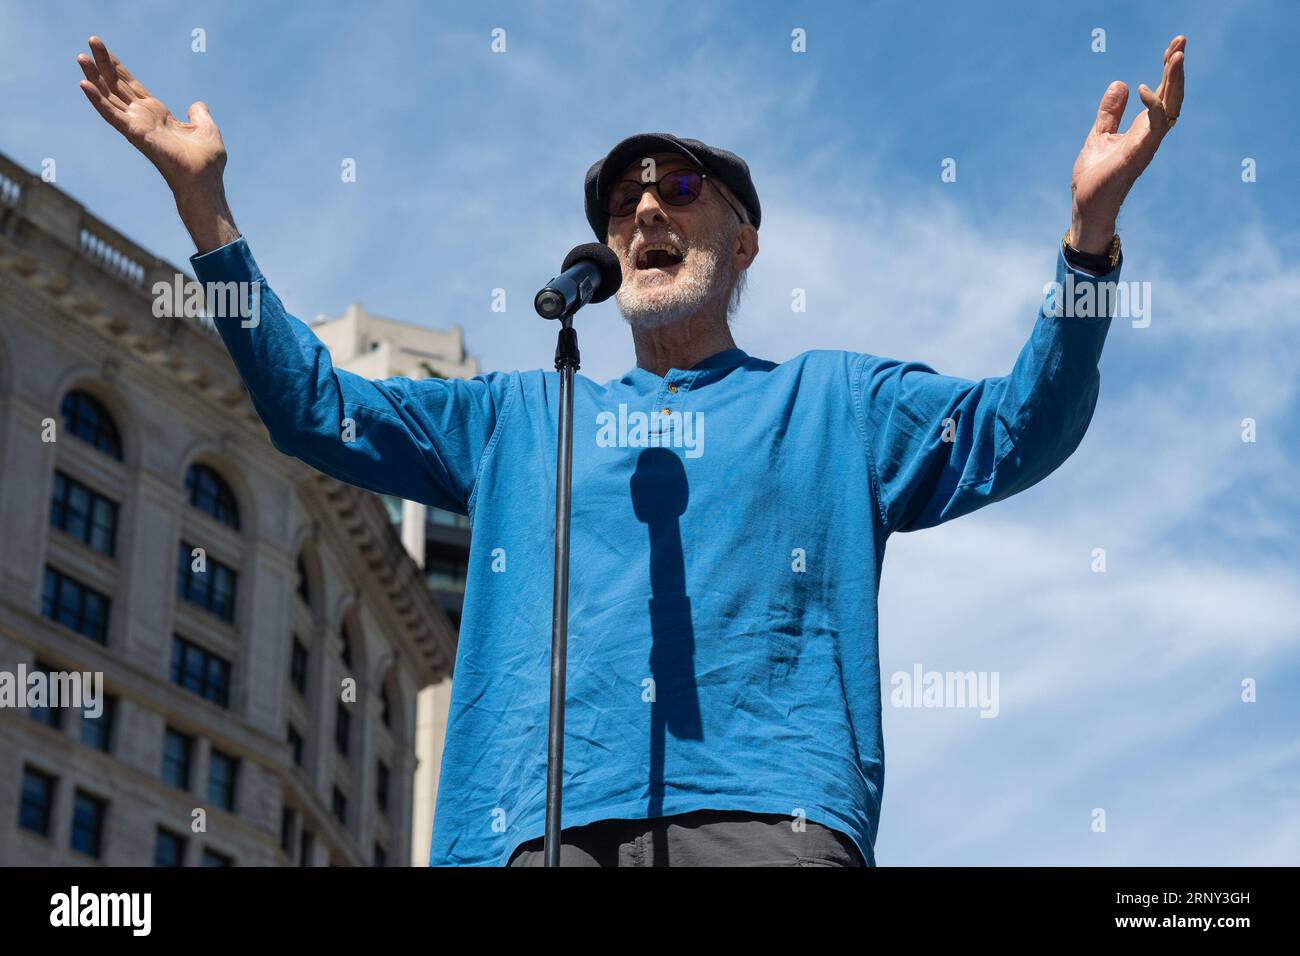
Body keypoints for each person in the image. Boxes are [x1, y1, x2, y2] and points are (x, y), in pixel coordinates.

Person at [76, 34, 1186, 867]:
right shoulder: (519, 417)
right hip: (531, 823)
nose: (646, 203)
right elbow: (315, 408)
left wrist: (1088, 241)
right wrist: (208, 215)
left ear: (742, 238)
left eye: (681, 187)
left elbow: (1019, 426)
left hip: (766, 820)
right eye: (624, 197)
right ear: (607, 250)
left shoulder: (835, 403)